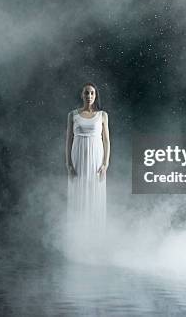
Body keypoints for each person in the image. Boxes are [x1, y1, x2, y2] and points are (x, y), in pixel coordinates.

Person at [65, 82, 110, 255]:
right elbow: (68, 140)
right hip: (78, 156)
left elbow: (106, 141)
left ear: (95, 95)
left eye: (91, 93)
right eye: (86, 93)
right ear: (81, 95)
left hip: (96, 158)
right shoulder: (72, 115)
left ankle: (95, 241)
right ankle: (77, 240)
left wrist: (105, 164)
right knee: (78, 193)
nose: (89, 96)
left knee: (95, 193)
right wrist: (68, 164)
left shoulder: (103, 115)